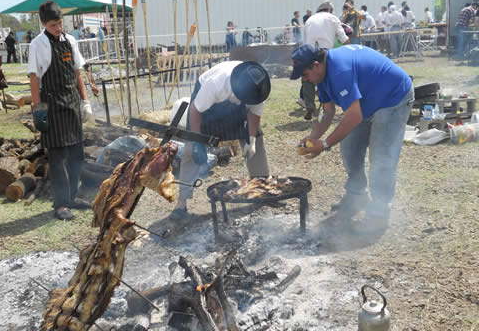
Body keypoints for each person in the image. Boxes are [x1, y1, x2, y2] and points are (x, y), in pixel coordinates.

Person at [290, 44, 414, 233]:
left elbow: (354, 116)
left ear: (316, 65)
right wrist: (312, 137)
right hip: (366, 101)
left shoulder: (340, 71)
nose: (304, 79)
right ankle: (356, 196)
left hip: (393, 98)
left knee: (381, 157)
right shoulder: (322, 76)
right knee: (349, 147)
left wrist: (323, 145)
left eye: (304, 74)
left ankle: (379, 211)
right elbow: (328, 112)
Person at [172, 60, 271, 219]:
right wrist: (197, 141)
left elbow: (254, 114)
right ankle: (181, 203)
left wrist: (251, 139)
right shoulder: (216, 84)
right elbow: (195, 110)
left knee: (257, 138)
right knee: (190, 149)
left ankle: (264, 191)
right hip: (207, 110)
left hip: (236, 110)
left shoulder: (260, 88)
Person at [28, 0, 94, 221]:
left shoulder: (70, 41)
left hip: (72, 103)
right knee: (57, 158)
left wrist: (84, 101)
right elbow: (34, 78)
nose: (59, 28)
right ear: (43, 23)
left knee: (76, 154)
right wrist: (38, 109)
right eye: (54, 25)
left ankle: (73, 196)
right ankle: (61, 204)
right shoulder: (37, 45)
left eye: (60, 23)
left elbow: (77, 73)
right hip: (52, 105)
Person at [300, 0, 350, 120]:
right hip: (325, 52)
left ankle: (310, 105)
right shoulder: (332, 18)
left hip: (309, 51)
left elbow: (304, 41)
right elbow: (344, 39)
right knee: (327, 80)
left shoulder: (309, 20)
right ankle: (325, 108)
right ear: (329, 10)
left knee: (308, 80)